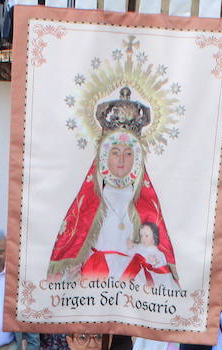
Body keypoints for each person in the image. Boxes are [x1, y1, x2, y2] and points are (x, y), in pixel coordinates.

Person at [47, 89, 178, 283]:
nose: (121, 160)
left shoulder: (145, 204)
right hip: (95, 278)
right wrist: (68, 276)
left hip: (133, 282)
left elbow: (156, 253)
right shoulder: (90, 201)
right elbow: (72, 247)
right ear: (104, 155)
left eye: (128, 153)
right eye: (115, 152)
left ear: (136, 158)